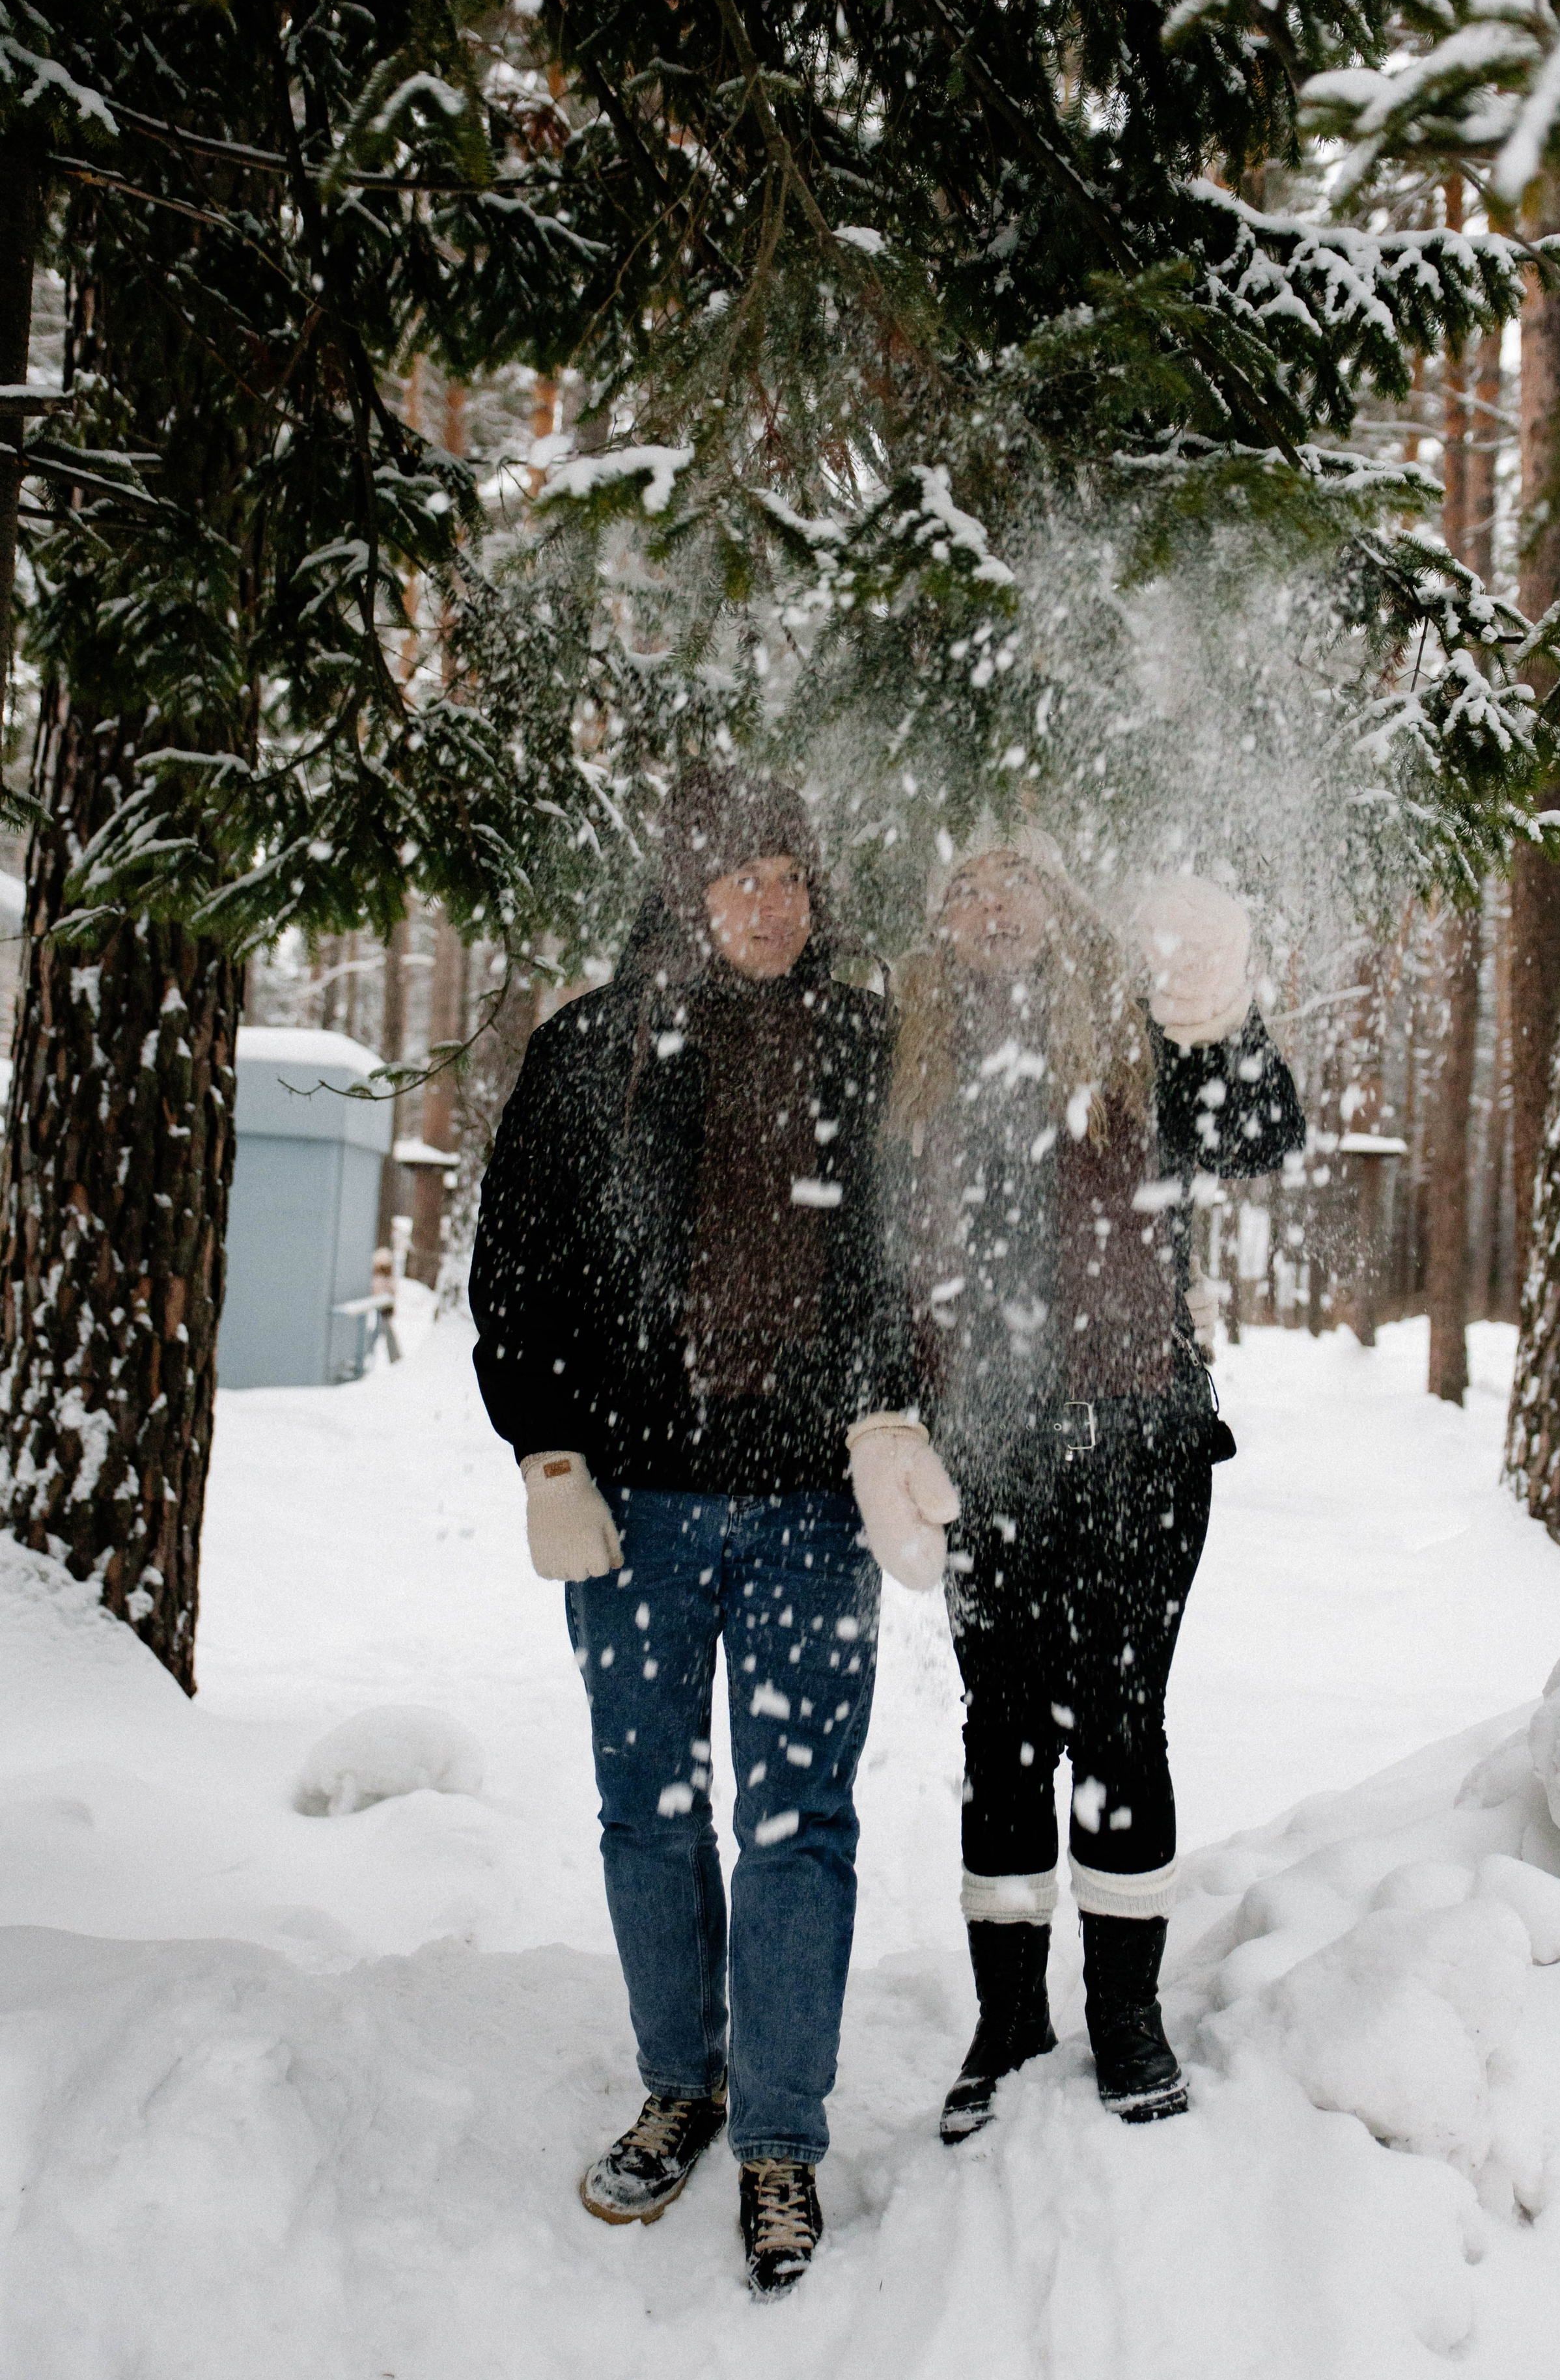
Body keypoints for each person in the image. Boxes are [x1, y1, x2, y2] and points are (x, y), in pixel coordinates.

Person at [469, 764, 958, 2296]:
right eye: (743, 878)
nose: (770, 904)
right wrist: (545, 1448)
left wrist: (890, 1407)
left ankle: (780, 2142)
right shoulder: (594, 1049)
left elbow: (920, 1250)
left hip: (816, 1507)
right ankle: (679, 2082)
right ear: (690, 893)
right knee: (649, 1811)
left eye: (792, 881)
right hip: (639, 1510)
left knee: (797, 1822)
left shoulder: (872, 1049)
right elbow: (521, 1262)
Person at [884, 827, 1305, 2140]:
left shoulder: (1133, 1040)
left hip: (1138, 1442)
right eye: (963, 890)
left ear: (1062, 913)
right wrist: (883, 1415)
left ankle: (1126, 2014)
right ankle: (1007, 2020)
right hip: (977, 1456)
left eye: (1012, 882)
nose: (985, 904)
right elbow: (867, 1260)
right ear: (940, 929)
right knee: (1001, 1736)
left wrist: (1223, 1011)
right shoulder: (909, 1068)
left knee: (1120, 1728)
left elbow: (1257, 1132)